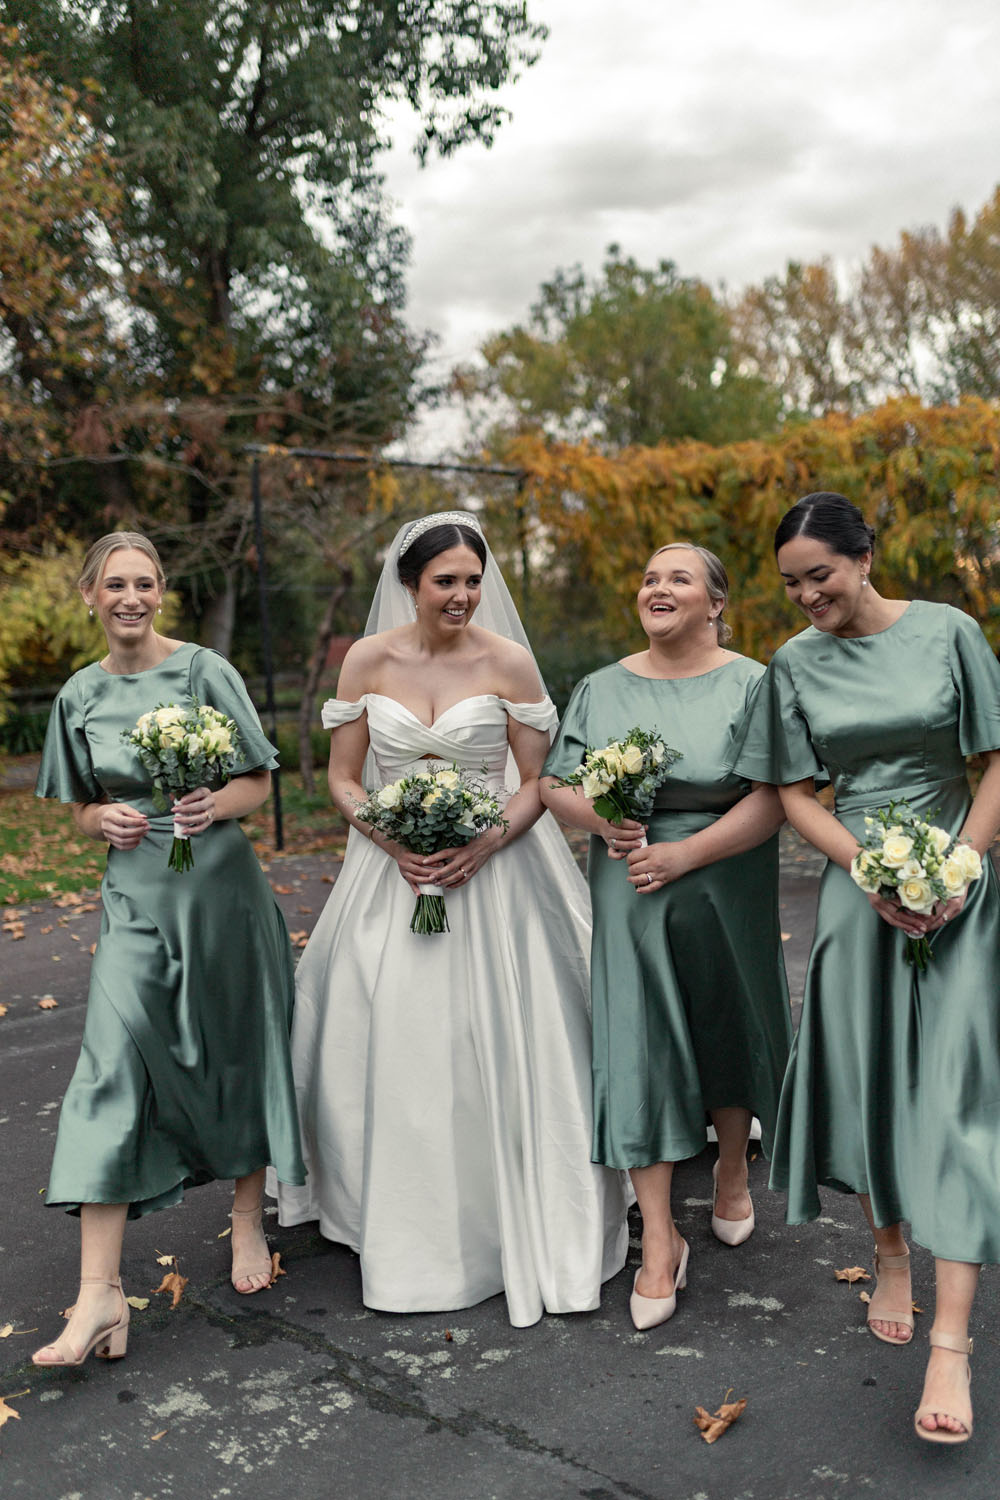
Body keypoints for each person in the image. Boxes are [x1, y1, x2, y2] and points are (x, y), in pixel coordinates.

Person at [275, 512, 629, 1327]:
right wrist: (392, 838)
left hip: (499, 868)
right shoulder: (367, 659)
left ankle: (523, 1201)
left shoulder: (509, 661)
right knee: (395, 1035)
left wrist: (487, 842)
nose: (462, 594)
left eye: (473, 579)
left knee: (509, 1034)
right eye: (445, 581)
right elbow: (344, 778)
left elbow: (537, 781)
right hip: (392, 868)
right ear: (411, 584)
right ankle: (394, 1215)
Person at [733, 491, 1000, 1444]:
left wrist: (958, 867)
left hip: (963, 883)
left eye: (821, 575)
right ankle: (888, 1251)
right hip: (859, 888)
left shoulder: (950, 632)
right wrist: (869, 872)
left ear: (864, 556)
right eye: (791, 584)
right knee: (870, 1077)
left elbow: (995, 761)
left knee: (961, 1096)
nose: (809, 596)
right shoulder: (792, 664)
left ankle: (951, 1344)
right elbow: (795, 792)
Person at [32, 532, 305, 1367]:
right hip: (134, 899)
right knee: (109, 1067)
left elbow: (259, 780)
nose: (131, 598)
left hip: (220, 894)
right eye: (115, 585)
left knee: (237, 1050)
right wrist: (101, 819)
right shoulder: (78, 695)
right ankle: (99, 1294)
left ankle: (247, 1219)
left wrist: (212, 804)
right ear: (89, 594)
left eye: (144, 584)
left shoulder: (203, 671)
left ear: (161, 592)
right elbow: (78, 805)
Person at [541, 544, 791, 1330]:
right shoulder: (600, 687)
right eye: (649, 576)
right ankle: (658, 1237)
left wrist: (688, 853)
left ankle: (730, 1169)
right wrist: (602, 819)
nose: (658, 587)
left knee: (726, 1020)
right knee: (638, 1041)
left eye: (679, 578)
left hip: (725, 876)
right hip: (632, 882)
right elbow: (553, 783)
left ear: (716, 603)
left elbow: (777, 797)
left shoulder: (754, 684)